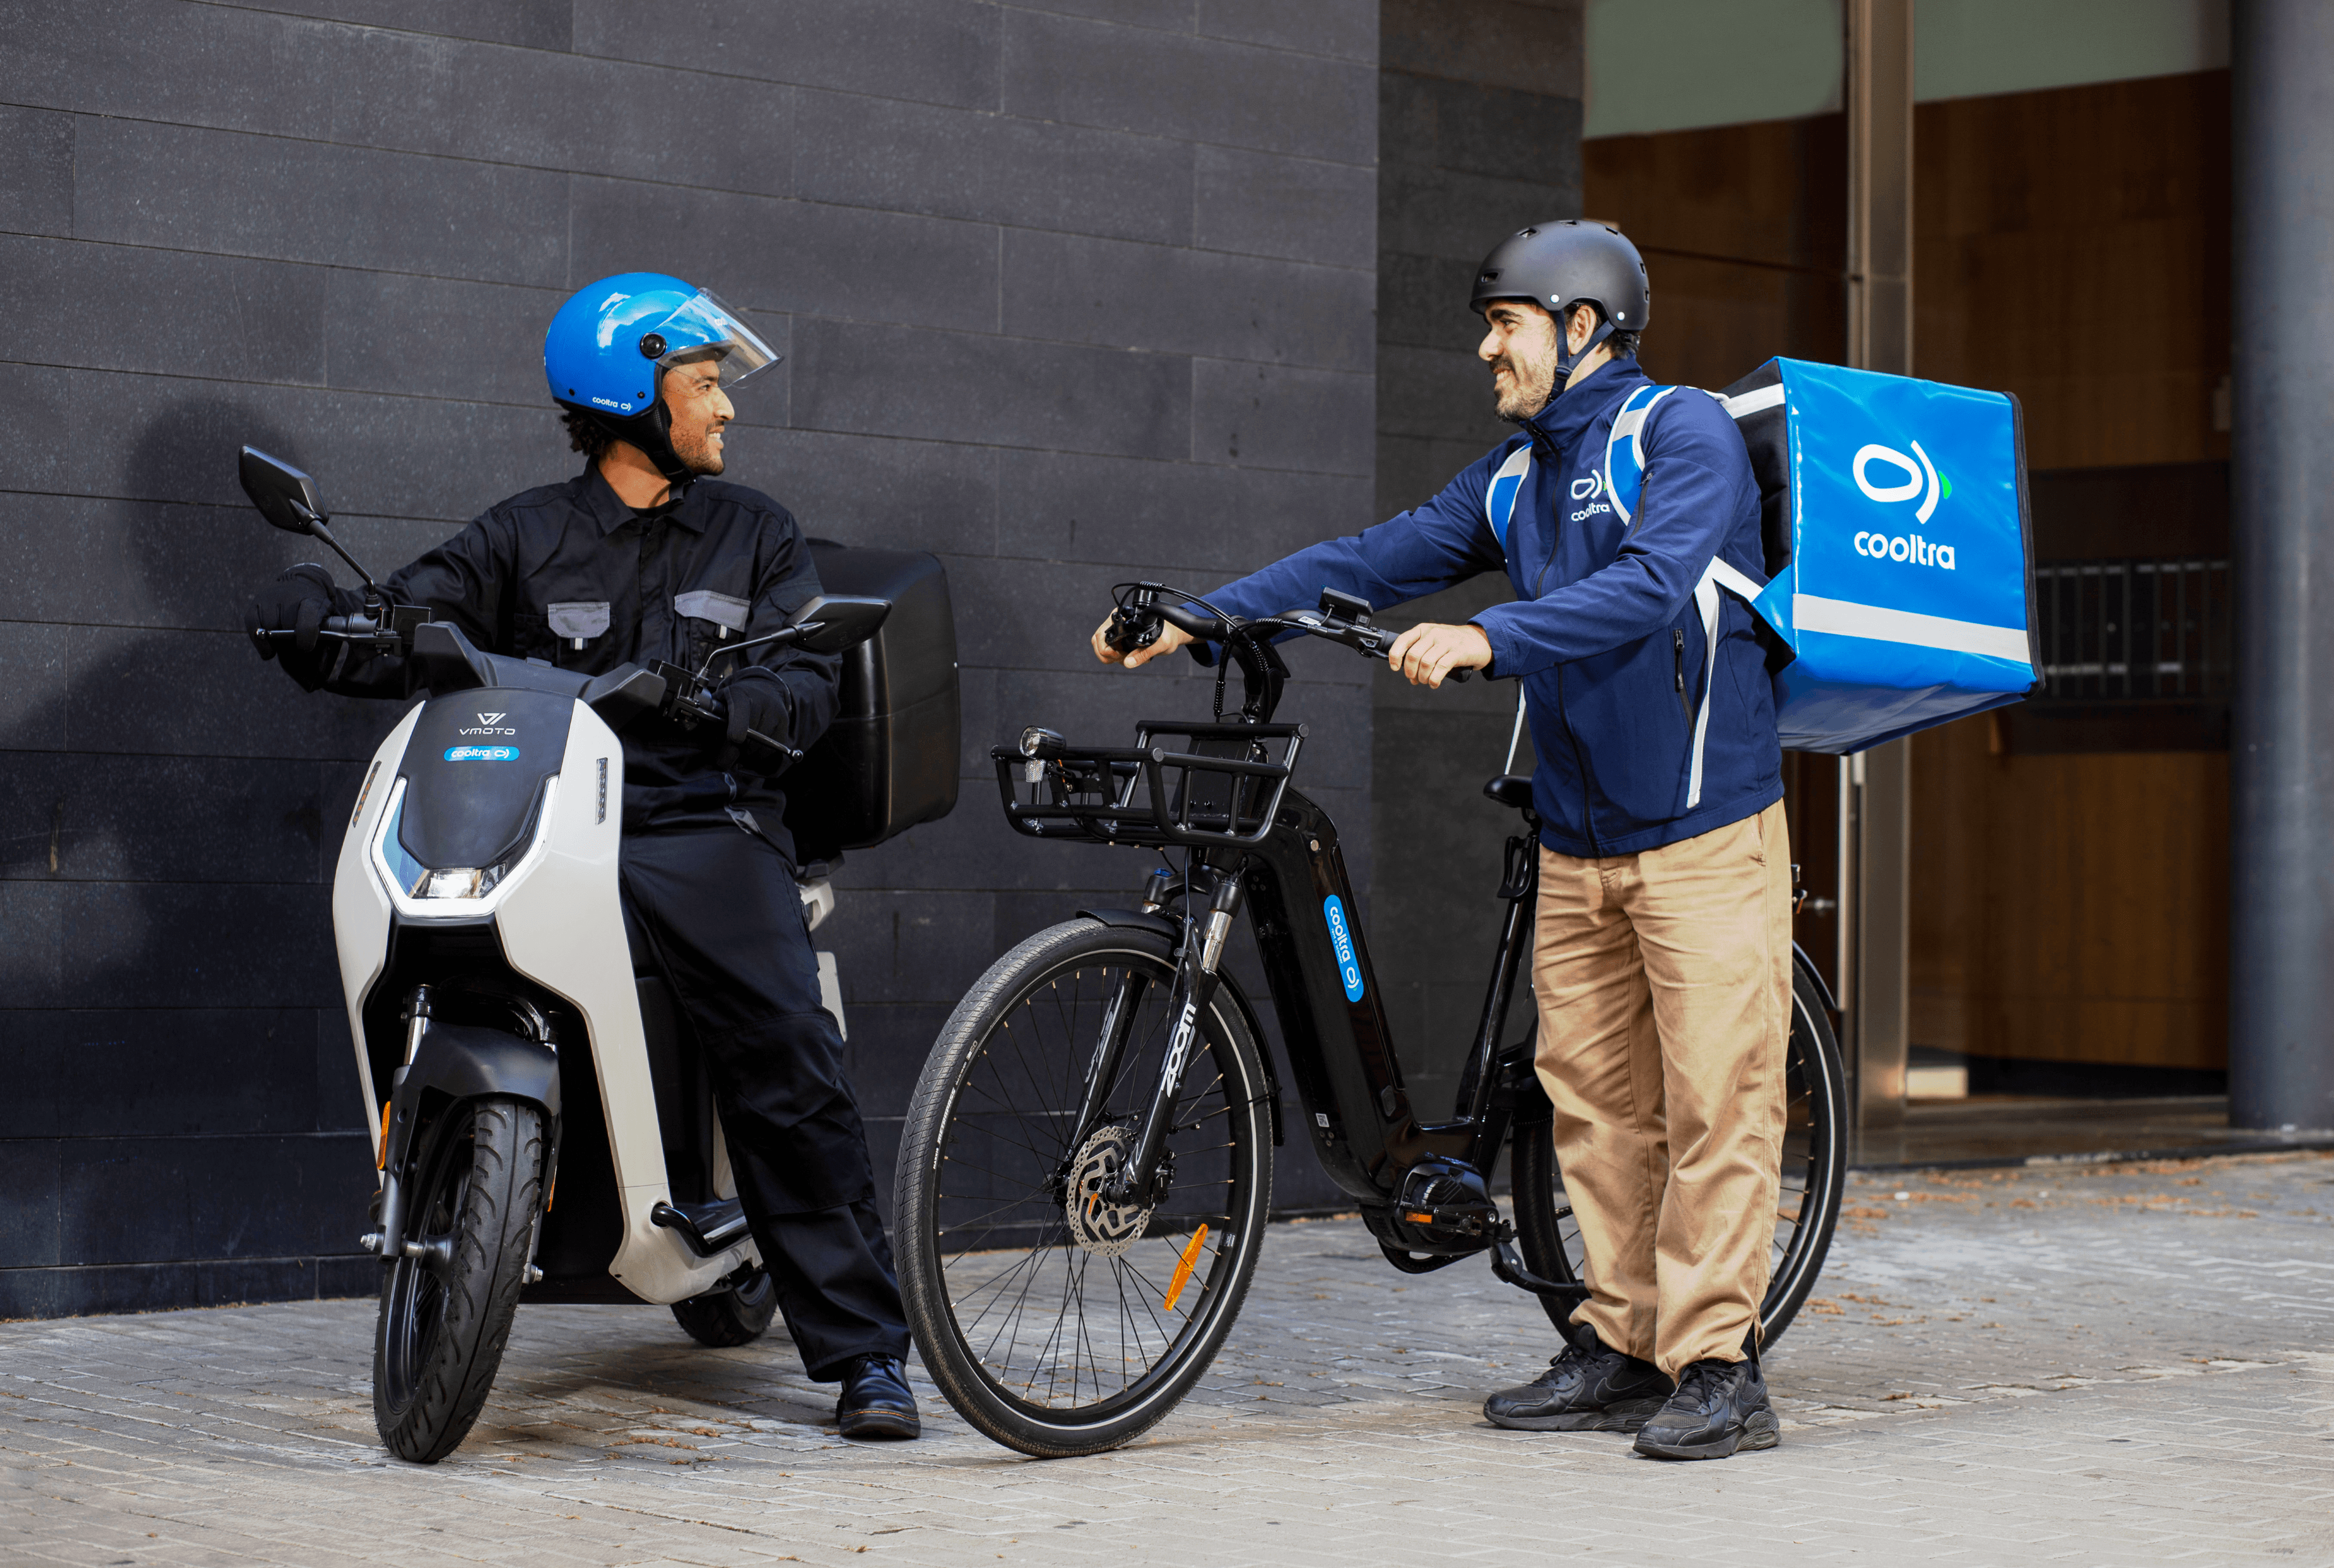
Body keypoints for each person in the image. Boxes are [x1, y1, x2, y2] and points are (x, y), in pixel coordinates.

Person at [1092, 222, 1789, 1461]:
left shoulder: (1678, 434)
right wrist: (1206, 617)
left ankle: (1722, 1363)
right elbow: (1366, 561)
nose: (1486, 346)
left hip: (1703, 828)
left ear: (1582, 326)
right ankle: (1624, 1343)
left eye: (1506, 322)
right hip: (1580, 838)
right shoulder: (1514, 476)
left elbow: (1649, 581)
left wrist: (1490, 636)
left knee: (1712, 1099)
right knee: (1596, 1102)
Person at [246, 273, 920, 1441]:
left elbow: (806, 678)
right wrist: (321, 623)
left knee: (783, 1046)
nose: (724, 410)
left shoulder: (757, 532)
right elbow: (416, 617)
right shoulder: (523, 534)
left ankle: (865, 1354)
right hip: (557, 820)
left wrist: (736, 705)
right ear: (632, 396)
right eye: (703, 386)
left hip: (702, 816)